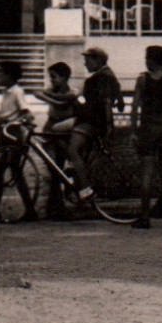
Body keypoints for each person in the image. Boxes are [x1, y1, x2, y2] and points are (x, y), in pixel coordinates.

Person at [0, 61, 37, 223]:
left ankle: (25, 209)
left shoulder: (17, 92)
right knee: (5, 172)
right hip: (6, 134)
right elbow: (2, 117)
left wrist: (27, 121)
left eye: (1, 73)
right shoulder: (7, 92)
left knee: (11, 171)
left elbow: (26, 111)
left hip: (14, 135)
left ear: (9, 76)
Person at [64, 47, 121, 212]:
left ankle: (85, 189)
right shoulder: (109, 75)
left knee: (72, 149)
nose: (85, 63)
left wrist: (75, 103)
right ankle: (71, 170)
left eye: (88, 60)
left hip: (91, 123)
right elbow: (116, 98)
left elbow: (92, 106)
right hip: (100, 122)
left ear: (97, 61)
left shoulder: (95, 80)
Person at [129, 45, 162, 229]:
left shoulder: (142, 80)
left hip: (148, 129)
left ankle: (144, 216)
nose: (145, 60)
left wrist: (133, 131)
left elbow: (134, 108)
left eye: (147, 57)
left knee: (147, 174)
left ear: (152, 60)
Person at [31, 62, 79, 220]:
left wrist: (43, 96)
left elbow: (61, 101)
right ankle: (55, 206)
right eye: (50, 77)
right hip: (51, 132)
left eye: (54, 77)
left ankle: (61, 202)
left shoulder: (72, 92)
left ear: (64, 78)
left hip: (65, 134)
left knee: (60, 169)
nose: (51, 81)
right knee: (53, 169)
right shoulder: (52, 91)